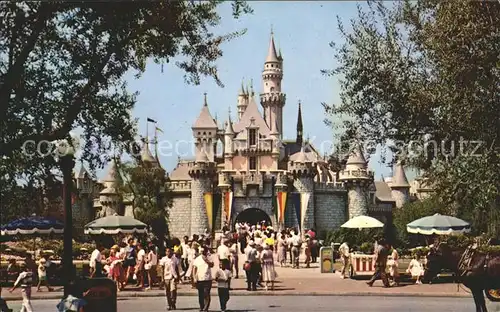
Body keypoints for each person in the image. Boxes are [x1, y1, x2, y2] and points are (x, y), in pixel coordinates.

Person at [192, 246, 214, 312]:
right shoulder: (197, 259)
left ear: (206, 251)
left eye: (203, 251)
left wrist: (207, 261)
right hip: (199, 279)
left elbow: (212, 265)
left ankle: (206, 308)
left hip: (207, 279)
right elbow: (194, 269)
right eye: (201, 251)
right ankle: (201, 306)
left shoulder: (209, 257)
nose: (202, 253)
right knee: (201, 294)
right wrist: (194, 278)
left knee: (206, 293)